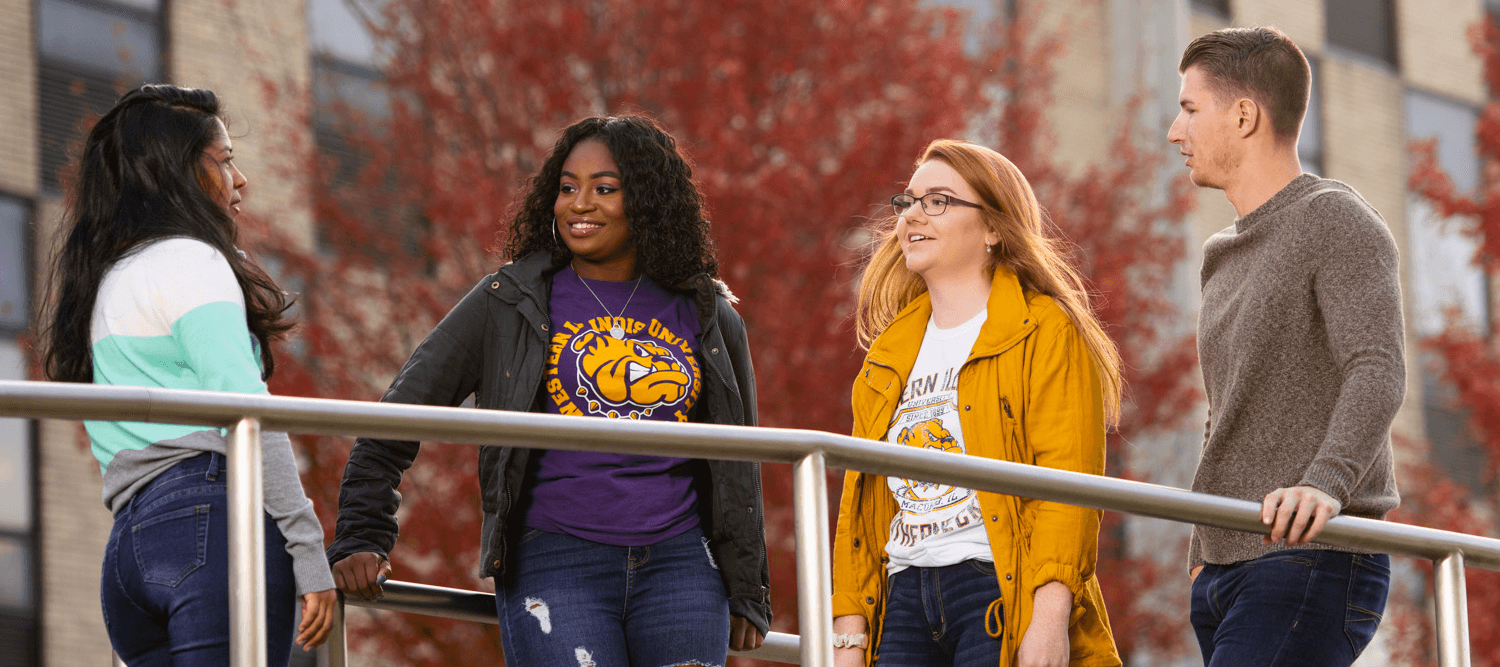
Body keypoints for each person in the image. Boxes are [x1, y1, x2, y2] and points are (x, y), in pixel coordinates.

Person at [327, 114, 771, 665]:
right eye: (567, 188)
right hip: (556, 558)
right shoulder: (509, 299)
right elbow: (401, 411)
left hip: (681, 567)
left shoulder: (707, 311)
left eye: (604, 188)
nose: (579, 204)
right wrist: (363, 534)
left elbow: (742, 464)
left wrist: (747, 587)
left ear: (650, 201)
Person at [37, 84, 337, 665]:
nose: (241, 179)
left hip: (129, 551)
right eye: (225, 161)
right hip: (209, 529)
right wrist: (307, 547)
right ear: (180, 172)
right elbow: (248, 412)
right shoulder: (192, 260)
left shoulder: (110, 279)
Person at [831, 139, 1122, 667]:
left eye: (938, 200)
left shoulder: (1045, 330)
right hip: (901, 602)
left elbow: (1069, 486)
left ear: (992, 228)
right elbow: (862, 508)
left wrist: (1049, 616)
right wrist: (848, 635)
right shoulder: (887, 354)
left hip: (994, 587)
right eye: (908, 201)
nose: (912, 215)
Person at [1168, 27, 1404, 667]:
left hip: (1313, 556)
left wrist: (1325, 484)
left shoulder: (1335, 218)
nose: (1174, 131)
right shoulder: (1221, 254)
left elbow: (1376, 367)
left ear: (1244, 115)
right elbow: (1228, 413)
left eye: (1190, 109)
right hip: (1222, 571)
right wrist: (1200, 553)